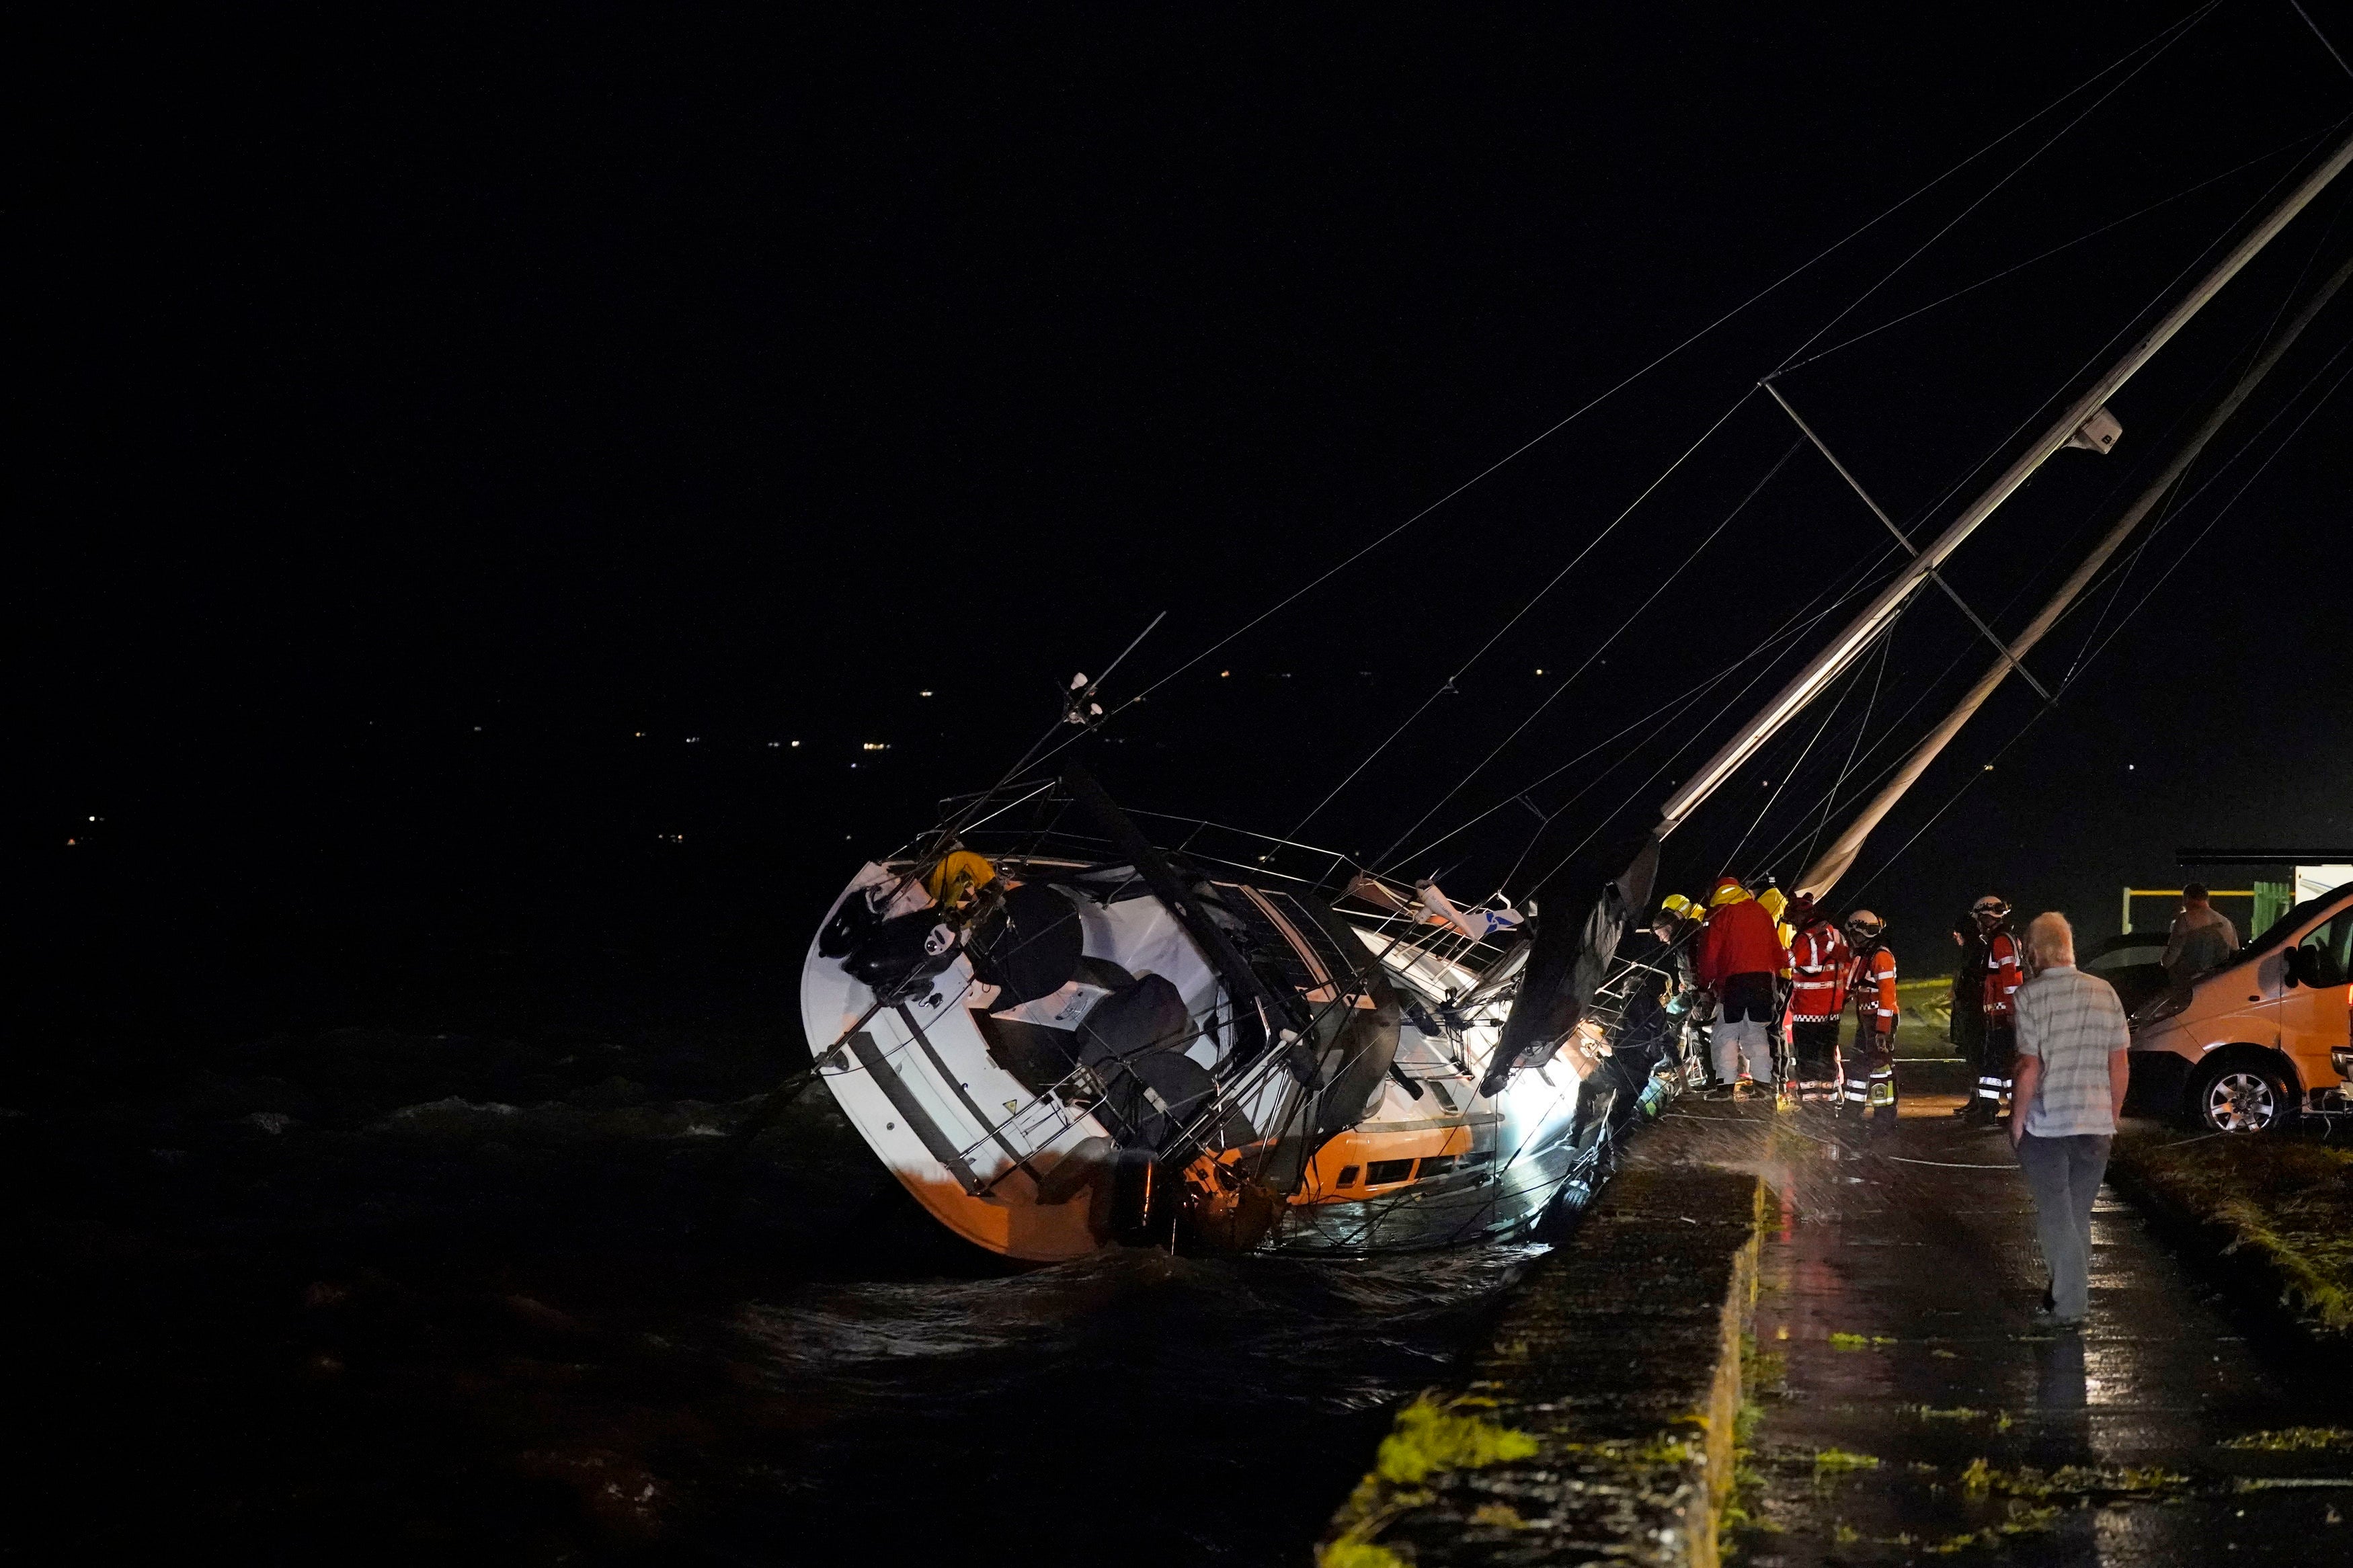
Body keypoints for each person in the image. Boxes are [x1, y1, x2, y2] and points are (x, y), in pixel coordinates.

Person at [2009, 911, 2130, 1327]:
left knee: (2056, 1214)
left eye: (2028, 950)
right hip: (2096, 1125)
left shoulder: (2030, 997)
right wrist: (2111, 1115)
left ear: (2037, 952)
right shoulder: (2106, 993)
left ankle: (2069, 1306)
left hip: (2047, 1125)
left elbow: (2029, 1066)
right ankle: (2061, 1293)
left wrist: (2016, 1120)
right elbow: (2119, 1063)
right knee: (2077, 1214)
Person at [1696, 876, 1788, 1097]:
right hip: (1764, 979)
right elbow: (1776, 947)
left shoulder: (1719, 913)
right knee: (1758, 1031)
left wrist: (1705, 981)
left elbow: (1709, 952)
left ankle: (1725, 1087)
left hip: (1735, 981)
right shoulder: (1760, 910)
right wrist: (1779, 973)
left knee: (1726, 1033)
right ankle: (1764, 1085)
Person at [1785, 897, 1849, 1104]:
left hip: (1807, 1013)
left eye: (1794, 920)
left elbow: (1789, 961)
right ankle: (1829, 1102)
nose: (1794, 926)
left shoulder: (1805, 937)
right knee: (1827, 1057)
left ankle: (1811, 1105)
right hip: (1833, 1012)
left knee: (1807, 1060)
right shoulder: (1838, 935)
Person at [1968, 895, 2024, 1126]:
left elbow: (2010, 980)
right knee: (2002, 1064)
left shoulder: (2000, 941)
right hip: (2000, 1013)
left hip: (2003, 1014)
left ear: (1987, 918)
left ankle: (1991, 1109)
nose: (1978, 924)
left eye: (1980, 919)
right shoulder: (2003, 939)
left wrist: (2010, 1011)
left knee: (1997, 1063)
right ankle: (2003, 1110)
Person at [1842, 910, 1899, 1113]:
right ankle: (1853, 1111)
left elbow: (1887, 997)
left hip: (1878, 1021)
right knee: (1858, 1064)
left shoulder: (1881, 956)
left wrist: (1882, 1031)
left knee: (1879, 1068)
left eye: (1853, 935)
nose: (1852, 940)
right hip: (1867, 1020)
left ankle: (1884, 1115)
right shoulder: (1866, 955)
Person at [1948, 911, 1988, 1118]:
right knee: (1972, 1060)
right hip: (1968, 1014)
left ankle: (1981, 1102)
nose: (1955, 936)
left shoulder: (1977, 950)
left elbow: (1973, 984)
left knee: (1976, 1059)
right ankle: (1975, 1100)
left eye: (1957, 932)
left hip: (1975, 1015)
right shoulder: (1971, 950)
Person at [2162, 883, 2240, 983]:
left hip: (2192, 983)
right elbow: (2236, 957)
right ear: (2207, 899)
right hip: (2219, 981)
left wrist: (2163, 966)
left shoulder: (2185, 919)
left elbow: (2172, 955)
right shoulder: (2227, 923)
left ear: (2186, 898)